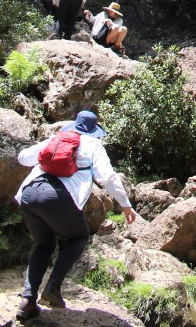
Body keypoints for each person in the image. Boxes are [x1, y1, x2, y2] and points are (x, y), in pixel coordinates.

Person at [14, 109, 136, 321]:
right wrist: (125, 205)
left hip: (29, 193)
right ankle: (53, 286)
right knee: (79, 236)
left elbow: (23, 158)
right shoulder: (93, 145)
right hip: (56, 197)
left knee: (44, 245)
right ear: (95, 130)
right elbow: (107, 177)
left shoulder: (58, 138)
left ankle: (27, 300)